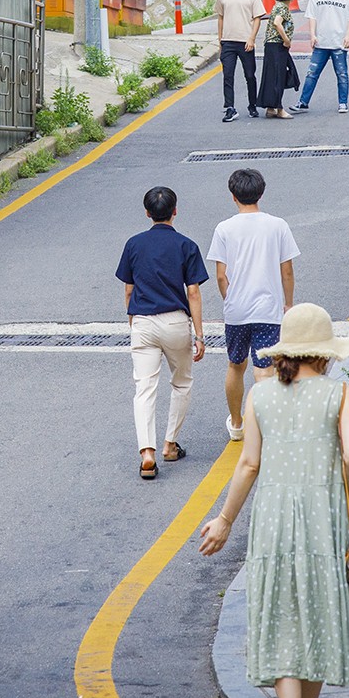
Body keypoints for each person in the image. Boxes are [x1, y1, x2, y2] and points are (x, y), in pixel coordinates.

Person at [199, 303, 349, 698]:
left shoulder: (260, 396)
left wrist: (226, 520)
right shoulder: (340, 394)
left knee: (282, 615)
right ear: (325, 354)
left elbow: (248, 463)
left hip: (271, 518)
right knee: (317, 612)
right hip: (321, 515)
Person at [114, 185, 209, 480]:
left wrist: (133, 320)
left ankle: (147, 452)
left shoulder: (133, 244)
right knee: (181, 382)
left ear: (147, 213)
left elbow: (128, 289)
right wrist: (199, 334)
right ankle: (169, 443)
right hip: (175, 323)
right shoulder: (186, 246)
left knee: (144, 388)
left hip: (143, 321)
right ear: (175, 211)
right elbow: (193, 293)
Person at [206, 168, 299, 442]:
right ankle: (266, 427)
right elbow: (288, 271)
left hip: (236, 311)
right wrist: (289, 304)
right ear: (262, 192)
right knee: (264, 370)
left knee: (236, 364)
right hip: (268, 309)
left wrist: (231, 299)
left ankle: (237, 424)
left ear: (232, 196)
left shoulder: (224, 228)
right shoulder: (278, 225)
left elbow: (221, 275)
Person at [291, 0, 349, 114]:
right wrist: (312, 35)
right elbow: (312, 17)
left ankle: (343, 102)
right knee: (312, 73)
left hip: (339, 42)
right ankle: (303, 102)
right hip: (321, 42)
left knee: (342, 74)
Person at [216, 0, 265, 123]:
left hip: (245, 42)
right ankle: (230, 108)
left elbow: (257, 19)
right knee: (227, 76)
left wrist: (251, 38)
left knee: (250, 75)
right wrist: (220, 40)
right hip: (228, 42)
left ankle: (252, 105)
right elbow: (220, 18)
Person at [255, 0, 299, 120]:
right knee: (279, 77)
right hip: (278, 46)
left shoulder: (276, 6)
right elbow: (277, 23)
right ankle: (279, 109)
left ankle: (270, 108)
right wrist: (286, 40)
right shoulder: (283, 9)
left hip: (270, 45)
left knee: (271, 77)